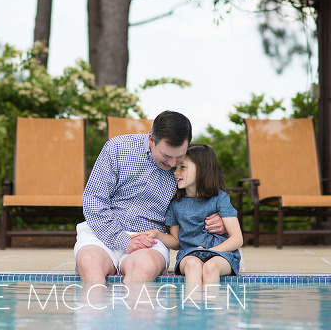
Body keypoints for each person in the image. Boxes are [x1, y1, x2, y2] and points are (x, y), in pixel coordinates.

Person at [74, 111, 227, 284]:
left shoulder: (188, 165)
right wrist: (122, 239)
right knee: (89, 264)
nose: (172, 164)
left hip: (151, 240)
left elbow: (208, 196)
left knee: (143, 270)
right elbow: (94, 200)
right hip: (103, 232)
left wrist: (219, 219)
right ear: (151, 140)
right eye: (166, 156)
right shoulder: (117, 148)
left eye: (179, 156)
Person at [142, 143, 243, 286]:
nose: (176, 172)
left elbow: (237, 239)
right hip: (189, 254)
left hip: (221, 254)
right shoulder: (175, 203)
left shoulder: (220, 198)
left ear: (202, 170)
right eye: (175, 167)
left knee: (210, 267)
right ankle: (191, 307)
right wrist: (157, 234)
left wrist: (210, 252)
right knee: (193, 266)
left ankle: (212, 306)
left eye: (182, 167)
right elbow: (177, 241)